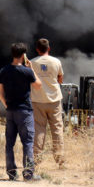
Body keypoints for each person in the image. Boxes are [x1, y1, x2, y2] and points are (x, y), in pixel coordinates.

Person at [0, 42, 42, 181]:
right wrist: (32, 69)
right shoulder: (27, 71)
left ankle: (11, 173)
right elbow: (38, 85)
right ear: (23, 55)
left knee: (10, 143)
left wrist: (6, 104)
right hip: (25, 111)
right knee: (27, 142)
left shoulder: (4, 71)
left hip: (10, 111)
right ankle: (28, 174)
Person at [31, 38, 65, 166]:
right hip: (54, 100)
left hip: (37, 100)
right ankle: (59, 158)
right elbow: (60, 78)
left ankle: (37, 159)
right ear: (49, 49)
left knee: (39, 129)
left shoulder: (32, 63)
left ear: (37, 49)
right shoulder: (56, 61)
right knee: (57, 128)